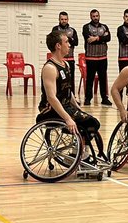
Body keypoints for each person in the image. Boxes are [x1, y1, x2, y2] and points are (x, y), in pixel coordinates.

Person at [39, 28, 105, 157]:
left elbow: (68, 91)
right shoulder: (50, 68)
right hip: (49, 110)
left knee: (93, 122)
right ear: (58, 46)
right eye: (66, 42)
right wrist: (68, 118)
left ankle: (80, 152)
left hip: (66, 106)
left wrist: (78, 109)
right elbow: (51, 98)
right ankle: (79, 153)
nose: (69, 45)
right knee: (87, 123)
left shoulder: (66, 65)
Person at [82, 9, 110, 105]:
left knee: (103, 78)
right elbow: (88, 39)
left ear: (99, 16)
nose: (95, 18)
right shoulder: (86, 27)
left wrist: (96, 38)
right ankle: (88, 98)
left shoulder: (104, 26)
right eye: (93, 16)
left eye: (97, 16)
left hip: (103, 58)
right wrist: (102, 39)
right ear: (91, 17)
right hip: (91, 58)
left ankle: (104, 98)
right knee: (90, 79)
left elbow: (108, 38)